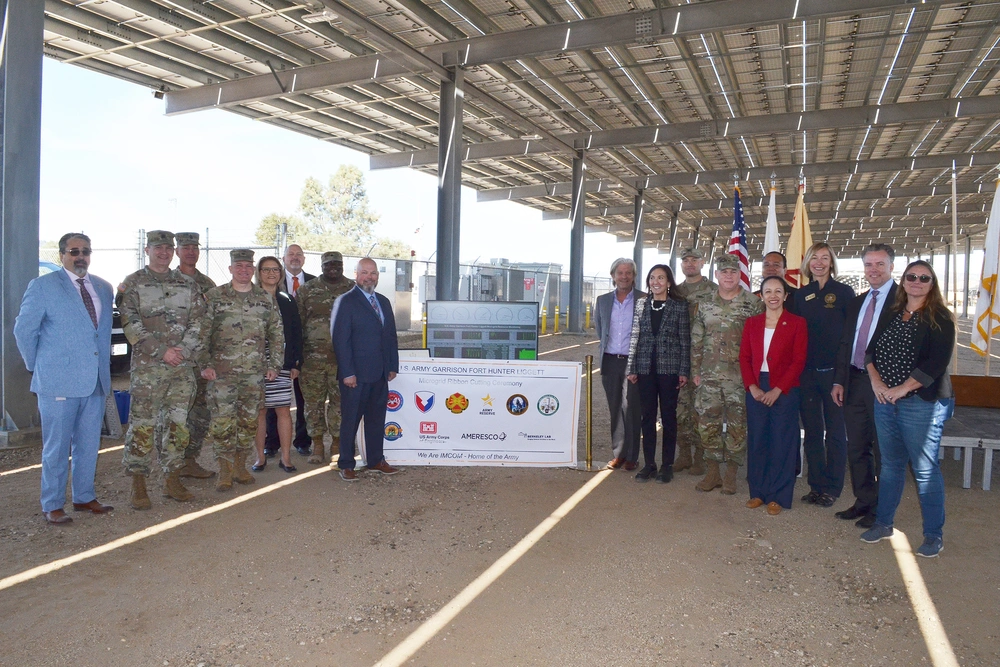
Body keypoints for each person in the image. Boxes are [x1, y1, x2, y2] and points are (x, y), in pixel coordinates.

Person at [14, 233, 115, 524]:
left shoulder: (103, 288)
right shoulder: (43, 286)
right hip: (57, 380)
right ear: (62, 255)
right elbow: (24, 330)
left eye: (85, 251)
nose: (80, 256)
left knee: (88, 443)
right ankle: (53, 503)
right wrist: (38, 365)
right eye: (74, 251)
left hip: (95, 381)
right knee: (56, 446)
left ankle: (84, 497)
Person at [860, 260, 955, 558]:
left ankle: (933, 535)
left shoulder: (940, 318)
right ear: (903, 281)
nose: (917, 281)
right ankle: (884, 523)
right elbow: (870, 352)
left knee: (925, 471)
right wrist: (876, 384)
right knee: (890, 466)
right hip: (885, 401)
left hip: (920, 404)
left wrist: (900, 390)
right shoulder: (892, 313)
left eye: (923, 278)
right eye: (911, 276)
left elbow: (935, 365)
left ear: (932, 284)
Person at [119, 231, 205, 509]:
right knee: (143, 426)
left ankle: (172, 479)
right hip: (148, 370)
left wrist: (184, 350)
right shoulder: (134, 284)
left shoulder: (188, 284)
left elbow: (199, 321)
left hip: (181, 369)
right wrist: (162, 351)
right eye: (159, 248)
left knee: (177, 426)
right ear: (148, 250)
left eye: (168, 248)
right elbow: (130, 324)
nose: (164, 252)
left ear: (174, 251)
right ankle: (139, 484)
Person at [199, 249, 284, 491]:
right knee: (223, 423)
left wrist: (274, 364)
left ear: (253, 269)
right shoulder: (215, 296)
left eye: (248, 266)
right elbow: (202, 333)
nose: (244, 270)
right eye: (239, 266)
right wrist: (204, 364)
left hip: (253, 375)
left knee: (248, 423)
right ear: (231, 269)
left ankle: (239, 466)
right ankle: (224, 471)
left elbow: (276, 334)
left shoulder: (264, 298)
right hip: (222, 375)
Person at [832, 244, 898, 529]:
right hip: (855, 381)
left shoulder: (903, 300)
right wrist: (839, 379)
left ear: (891, 266)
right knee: (857, 445)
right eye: (869, 264)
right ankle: (863, 500)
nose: (874, 270)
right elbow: (846, 343)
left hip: (885, 385)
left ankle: (882, 509)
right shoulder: (858, 302)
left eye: (880, 264)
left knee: (884, 449)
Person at [690, 254, 763, 494]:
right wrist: (695, 370)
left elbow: (759, 342)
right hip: (708, 376)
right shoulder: (705, 303)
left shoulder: (753, 303)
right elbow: (697, 339)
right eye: (724, 272)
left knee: (737, 426)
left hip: (740, 378)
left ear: (739, 274)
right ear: (717, 275)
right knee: (707, 424)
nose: (729, 275)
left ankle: (731, 474)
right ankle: (713, 473)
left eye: (733, 271)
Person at [740, 276, 808, 515]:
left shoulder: (797, 323)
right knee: (758, 440)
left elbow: (799, 360)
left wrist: (778, 390)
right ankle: (757, 492)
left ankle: (778, 495)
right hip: (757, 387)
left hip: (785, 389)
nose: (773, 296)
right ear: (762, 295)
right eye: (768, 291)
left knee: (782, 441)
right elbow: (745, 358)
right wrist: (753, 387)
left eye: (778, 291)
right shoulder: (752, 323)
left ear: (786, 295)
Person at [794, 243, 855, 508]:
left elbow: (849, 338)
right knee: (813, 432)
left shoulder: (844, 293)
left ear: (832, 262)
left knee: (836, 433)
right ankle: (816, 485)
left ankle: (833, 488)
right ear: (807, 262)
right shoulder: (799, 295)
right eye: (814, 258)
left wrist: (842, 377)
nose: (819, 262)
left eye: (825, 258)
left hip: (834, 375)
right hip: (806, 374)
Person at [331, 257, 400, 481]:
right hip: (356, 375)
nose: (369, 277)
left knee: (376, 419)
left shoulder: (383, 301)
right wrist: (347, 372)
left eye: (373, 273)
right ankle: (347, 463)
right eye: (364, 273)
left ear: (377, 276)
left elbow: (390, 336)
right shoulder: (346, 301)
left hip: (380, 373)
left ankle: (376, 460)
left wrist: (391, 365)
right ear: (356, 274)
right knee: (350, 420)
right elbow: (341, 340)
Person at [626, 264, 690, 483]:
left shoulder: (679, 306)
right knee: (648, 417)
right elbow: (634, 337)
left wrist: (683, 370)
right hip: (645, 369)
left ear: (669, 282)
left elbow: (685, 341)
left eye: (661, 278)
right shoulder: (641, 304)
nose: (656, 282)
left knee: (669, 417)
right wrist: (632, 367)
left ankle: (667, 465)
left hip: (669, 370)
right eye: (652, 278)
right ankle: (649, 464)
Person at [297, 251, 355, 464]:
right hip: (312, 360)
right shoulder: (307, 290)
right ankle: (318, 443)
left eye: (337, 264)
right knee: (313, 403)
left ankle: (337, 442)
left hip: (343, 360)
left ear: (342, 265)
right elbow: (298, 324)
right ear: (322, 266)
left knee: (340, 403)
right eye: (329, 264)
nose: (333, 268)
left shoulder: (352, 289)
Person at [252, 256, 303, 474]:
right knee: (260, 411)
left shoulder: (287, 300)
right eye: (266, 269)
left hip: (281, 361)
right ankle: (260, 457)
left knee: (283, 409)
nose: (271, 273)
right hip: (255, 362)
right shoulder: (250, 298)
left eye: (275, 269)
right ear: (259, 272)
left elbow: (295, 333)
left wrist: (294, 362)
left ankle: (286, 457)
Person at [175, 231, 217, 480]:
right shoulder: (167, 281)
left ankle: (190, 460)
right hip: (176, 360)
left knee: (201, 414)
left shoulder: (207, 284)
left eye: (194, 248)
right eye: (185, 247)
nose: (191, 252)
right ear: (177, 251)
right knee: (175, 415)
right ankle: (172, 465)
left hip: (200, 360)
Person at [593, 258, 642, 472]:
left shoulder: (643, 298)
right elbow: (600, 329)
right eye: (620, 273)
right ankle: (618, 454)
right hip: (611, 360)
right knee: (615, 408)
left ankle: (632, 456)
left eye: (628, 273)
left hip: (634, 361)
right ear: (613, 276)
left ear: (633, 275)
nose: (624, 276)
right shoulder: (602, 301)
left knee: (631, 407)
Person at [673, 247, 717, 475]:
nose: (690, 264)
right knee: (681, 408)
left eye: (694, 260)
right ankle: (684, 454)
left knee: (702, 409)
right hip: (679, 358)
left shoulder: (714, 291)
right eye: (686, 260)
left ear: (703, 263)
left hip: (705, 358)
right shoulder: (675, 291)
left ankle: (701, 457)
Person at [277, 243, 313, 454]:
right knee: (275, 399)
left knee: (303, 398)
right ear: (284, 259)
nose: (295, 257)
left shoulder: (315, 282)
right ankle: (272, 444)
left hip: (306, 350)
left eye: (299, 254)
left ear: (304, 259)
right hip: (278, 349)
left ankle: (303, 441)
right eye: (291, 254)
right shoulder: (272, 280)